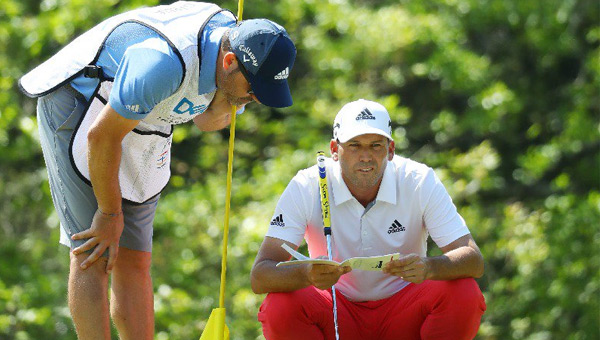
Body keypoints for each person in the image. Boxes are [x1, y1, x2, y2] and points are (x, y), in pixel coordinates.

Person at [19, 2, 296, 339]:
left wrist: (230, 100)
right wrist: (109, 213)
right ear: (228, 62)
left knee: (136, 261)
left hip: (141, 113)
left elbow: (205, 118)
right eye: (254, 90)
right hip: (83, 99)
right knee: (96, 249)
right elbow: (102, 137)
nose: (255, 99)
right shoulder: (162, 63)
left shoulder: (231, 49)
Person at [250, 99, 486, 340]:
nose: (365, 156)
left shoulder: (419, 179)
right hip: (334, 311)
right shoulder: (306, 185)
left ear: (391, 149)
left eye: (375, 145)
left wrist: (429, 267)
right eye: (354, 145)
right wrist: (306, 274)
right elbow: (260, 276)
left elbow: (473, 260)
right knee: (280, 304)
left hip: (405, 310)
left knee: (463, 291)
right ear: (334, 149)